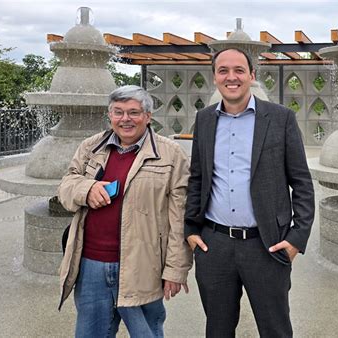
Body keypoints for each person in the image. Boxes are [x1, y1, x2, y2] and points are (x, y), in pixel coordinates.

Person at [184, 48, 315, 337]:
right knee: (217, 330)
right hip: (214, 245)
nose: (232, 77)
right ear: (215, 77)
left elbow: (302, 182)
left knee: (275, 330)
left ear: (252, 75)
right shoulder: (204, 119)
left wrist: (296, 239)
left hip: (266, 246)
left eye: (239, 70)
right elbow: (198, 177)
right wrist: (191, 229)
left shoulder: (281, 118)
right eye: (223, 71)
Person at [57, 85, 192, 337]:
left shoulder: (171, 154)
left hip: (144, 264)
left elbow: (180, 216)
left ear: (148, 116)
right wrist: (86, 190)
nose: (125, 119)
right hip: (92, 264)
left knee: (147, 332)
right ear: (110, 115)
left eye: (133, 112)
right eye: (118, 112)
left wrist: (175, 269)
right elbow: (66, 185)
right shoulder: (91, 146)